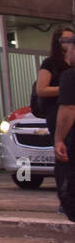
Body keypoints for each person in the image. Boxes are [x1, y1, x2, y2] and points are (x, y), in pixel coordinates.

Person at [34, 27, 74, 138]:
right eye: (65, 39)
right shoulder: (50, 63)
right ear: (57, 42)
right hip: (57, 111)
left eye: (72, 39)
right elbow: (41, 90)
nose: (69, 42)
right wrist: (67, 89)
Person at [53, 31, 75, 221]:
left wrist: (59, 139)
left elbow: (68, 109)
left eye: (69, 50)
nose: (66, 54)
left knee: (69, 191)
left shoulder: (70, 76)